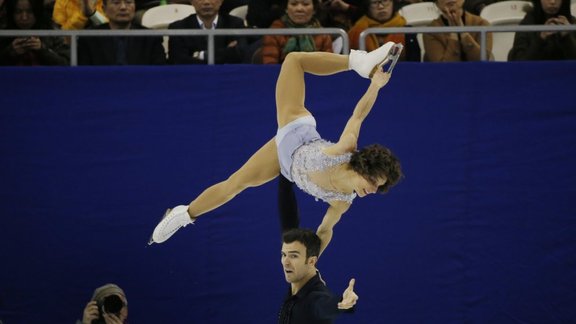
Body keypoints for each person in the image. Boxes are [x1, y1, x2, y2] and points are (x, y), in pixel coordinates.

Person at [150, 42, 404, 256]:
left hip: (284, 161)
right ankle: (356, 61)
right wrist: (376, 85)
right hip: (296, 128)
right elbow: (358, 116)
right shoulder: (346, 149)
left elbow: (325, 231)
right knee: (294, 60)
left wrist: (312, 261)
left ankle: (181, 211)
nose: (372, 190)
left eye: (377, 187)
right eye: (372, 180)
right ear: (362, 167)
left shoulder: (343, 201)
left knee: (236, 184)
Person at [278, 228, 358, 323]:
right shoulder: (296, 288)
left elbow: (325, 305)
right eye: (284, 255)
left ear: (311, 261)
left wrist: (343, 302)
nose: (285, 262)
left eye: (293, 256)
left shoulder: (314, 299)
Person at [77, 0, 166, 65]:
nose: (123, 7)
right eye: (116, 3)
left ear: (135, 7)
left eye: (128, 2)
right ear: (104, 9)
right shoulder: (89, 39)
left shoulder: (150, 38)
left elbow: (160, 73)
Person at [168, 0, 247, 64]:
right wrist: (225, 53)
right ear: (191, 2)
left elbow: (238, 55)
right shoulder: (178, 27)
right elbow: (178, 61)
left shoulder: (234, 24)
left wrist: (200, 55)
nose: (206, 2)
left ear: (221, 1)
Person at [260, 0, 333, 64]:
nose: (299, 9)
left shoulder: (323, 34)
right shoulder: (275, 32)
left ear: (314, 9)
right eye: (294, 4)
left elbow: (328, 65)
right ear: (286, 8)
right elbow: (270, 66)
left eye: (305, 4)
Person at [0, 0, 70, 65]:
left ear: (37, 11)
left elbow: (66, 64)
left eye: (30, 11)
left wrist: (42, 50)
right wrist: (11, 52)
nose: (24, 17)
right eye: (18, 12)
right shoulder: (3, 32)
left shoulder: (52, 31)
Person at [348, 0, 421, 61]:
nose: (381, 6)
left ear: (393, 3)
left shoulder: (407, 31)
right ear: (368, 7)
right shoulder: (355, 31)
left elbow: (415, 63)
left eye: (385, 1)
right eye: (375, 2)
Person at [423, 0, 493, 61]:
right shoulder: (431, 31)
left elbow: (482, 61)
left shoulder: (481, 24)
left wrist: (463, 33)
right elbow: (442, 68)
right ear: (437, 3)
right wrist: (454, 34)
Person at [508, 0, 576, 60]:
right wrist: (540, 40)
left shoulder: (572, 24)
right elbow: (519, 64)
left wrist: (567, 38)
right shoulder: (527, 24)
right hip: (535, 73)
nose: (552, 2)